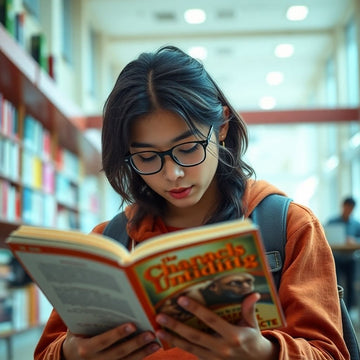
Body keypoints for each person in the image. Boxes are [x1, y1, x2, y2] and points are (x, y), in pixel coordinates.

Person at [34, 46, 349, 360]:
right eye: (146, 157)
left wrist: (265, 354)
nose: (173, 173)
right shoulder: (111, 240)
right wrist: (70, 353)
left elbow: (331, 353)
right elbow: (46, 352)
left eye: (188, 148)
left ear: (222, 126)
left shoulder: (288, 226)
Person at [327, 197, 360, 311]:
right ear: (343, 206)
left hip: (350, 258)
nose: (348, 210)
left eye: (351, 208)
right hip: (336, 258)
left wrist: (354, 241)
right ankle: (336, 309)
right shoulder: (332, 222)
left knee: (351, 285)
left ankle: (349, 311)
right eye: (347, 207)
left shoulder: (356, 224)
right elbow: (325, 237)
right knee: (335, 284)